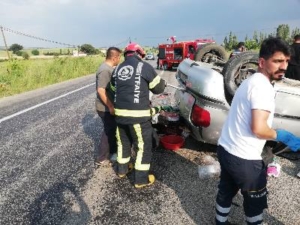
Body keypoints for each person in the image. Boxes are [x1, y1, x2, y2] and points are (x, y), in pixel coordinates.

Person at [215, 37, 300, 225]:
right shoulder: (262, 88)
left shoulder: (250, 80)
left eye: (286, 61)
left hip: (226, 149)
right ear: (262, 62)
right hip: (244, 159)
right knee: (255, 202)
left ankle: (220, 222)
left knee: (226, 190)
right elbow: (259, 129)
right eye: (277, 61)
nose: (284, 66)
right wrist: (283, 135)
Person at [109, 43, 166, 188]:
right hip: (138, 118)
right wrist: (162, 83)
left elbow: (113, 89)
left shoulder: (117, 69)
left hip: (120, 116)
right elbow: (158, 88)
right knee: (143, 146)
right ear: (139, 54)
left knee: (123, 143)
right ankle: (141, 179)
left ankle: (122, 170)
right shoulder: (144, 66)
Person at [95, 47, 122, 166]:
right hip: (105, 108)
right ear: (114, 57)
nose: (120, 60)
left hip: (107, 106)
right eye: (119, 57)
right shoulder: (105, 70)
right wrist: (111, 106)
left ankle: (112, 152)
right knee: (108, 131)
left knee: (111, 130)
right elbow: (101, 90)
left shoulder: (109, 68)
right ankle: (101, 157)